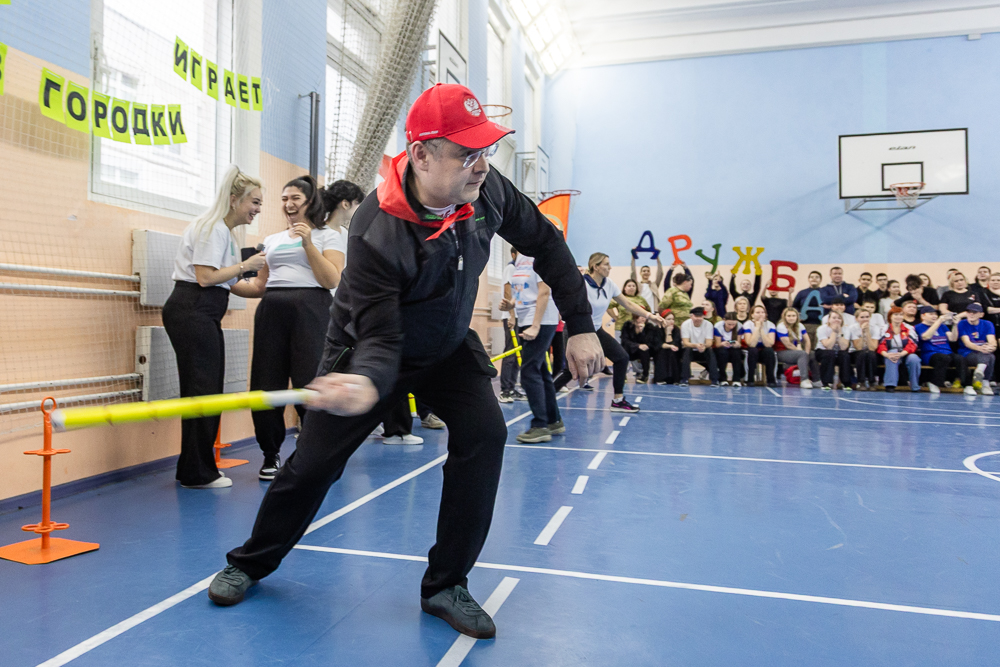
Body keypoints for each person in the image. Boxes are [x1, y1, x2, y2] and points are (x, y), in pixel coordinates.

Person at [209, 84, 604, 641]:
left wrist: (581, 326)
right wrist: (369, 383)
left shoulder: (488, 191)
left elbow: (548, 243)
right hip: (367, 351)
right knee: (313, 466)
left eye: (485, 152)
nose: (481, 166)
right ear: (420, 155)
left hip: (446, 346)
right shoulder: (377, 226)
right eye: (467, 154)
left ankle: (446, 583)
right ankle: (250, 561)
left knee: (485, 435)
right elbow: (380, 331)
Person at [247, 176, 359, 481]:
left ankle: (315, 454)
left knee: (310, 380)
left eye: (295, 197)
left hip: (311, 308)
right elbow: (260, 284)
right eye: (284, 198)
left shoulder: (328, 236)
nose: (288, 204)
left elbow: (332, 280)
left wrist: (307, 242)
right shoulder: (272, 240)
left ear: (310, 202)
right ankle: (270, 454)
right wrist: (220, 281)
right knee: (265, 382)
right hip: (272, 309)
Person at [163, 166, 265, 489]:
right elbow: (206, 278)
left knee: (204, 390)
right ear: (234, 200)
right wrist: (247, 265)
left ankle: (193, 467)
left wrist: (265, 284)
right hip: (193, 309)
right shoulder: (214, 229)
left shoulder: (226, 234)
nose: (258, 209)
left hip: (202, 312)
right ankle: (198, 472)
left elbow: (230, 284)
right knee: (203, 391)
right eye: (254, 202)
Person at [554, 253, 661, 411]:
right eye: (606, 264)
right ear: (595, 267)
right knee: (571, 371)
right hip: (576, 330)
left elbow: (627, 304)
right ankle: (544, 399)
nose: (610, 267)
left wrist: (650, 316)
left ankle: (618, 400)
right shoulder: (580, 283)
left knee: (621, 357)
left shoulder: (609, 284)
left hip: (596, 330)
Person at [509, 251, 563, 443]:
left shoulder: (541, 255)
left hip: (540, 320)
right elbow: (523, 291)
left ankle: (540, 425)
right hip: (527, 319)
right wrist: (511, 304)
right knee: (540, 371)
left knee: (530, 371)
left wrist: (536, 325)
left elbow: (544, 291)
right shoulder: (520, 259)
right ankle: (553, 420)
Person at [914, 307, 970, 395]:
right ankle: (935, 383)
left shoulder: (943, 327)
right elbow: (926, 337)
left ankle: (967, 385)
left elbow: (953, 338)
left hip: (947, 352)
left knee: (960, 358)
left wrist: (955, 325)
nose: (934, 316)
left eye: (935, 314)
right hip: (930, 353)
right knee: (943, 358)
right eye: (931, 314)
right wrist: (938, 321)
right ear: (923, 316)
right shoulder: (918, 327)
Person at [497, 248, 525, 403]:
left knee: (516, 354)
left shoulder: (521, 271)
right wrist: (512, 316)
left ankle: (512, 387)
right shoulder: (511, 268)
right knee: (510, 352)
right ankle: (505, 390)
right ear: (514, 255)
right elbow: (508, 292)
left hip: (521, 317)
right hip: (511, 317)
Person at [877, 307, 921, 392]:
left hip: (906, 353)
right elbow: (880, 344)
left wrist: (902, 354)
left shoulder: (909, 328)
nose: (898, 317)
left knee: (914, 359)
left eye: (901, 315)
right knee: (892, 354)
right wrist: (886, 354)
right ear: (890, 316)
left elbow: (912, 344)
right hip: (889, 353)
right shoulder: (884, 328)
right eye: (896, 315)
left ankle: (915, 386)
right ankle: (890, 385)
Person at [957, 303, 996, 395]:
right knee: (989, 357)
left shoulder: (987, 324)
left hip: (983, 352)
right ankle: (985, 383)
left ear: (981, 314)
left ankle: (980, 371)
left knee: (990, 355)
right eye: (969, 312)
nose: (971, 314)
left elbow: (992, 340)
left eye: (974, 312)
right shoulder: (962, 324)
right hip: (967, 353)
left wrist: (991, 347)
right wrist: (980, 348)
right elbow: (967, 343)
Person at [774, 307, 813, 389]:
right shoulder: (781, 326)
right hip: (781, 352)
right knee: (802, 354)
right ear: (784, 317)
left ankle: (816, 379)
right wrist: (803, 353)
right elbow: (788, 344)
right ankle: (804, 380)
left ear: (797, 317)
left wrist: (807, 353)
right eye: (789, 316)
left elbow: (807, 341)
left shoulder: (800, 326)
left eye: (793, 316)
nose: (791, 318)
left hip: (796, 352)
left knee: (813, 354)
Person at [680, 306, 718, 386]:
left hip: (703, 349)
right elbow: (686, 342)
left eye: (700, 316)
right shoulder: (685, 324)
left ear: (703, 316)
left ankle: (714, 379)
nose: (698, 318)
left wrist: (703, 346)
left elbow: (709, 342)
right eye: (696, 316)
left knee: (710, 351)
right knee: (687, 351)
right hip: (691, 349)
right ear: (691, 316)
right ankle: (685, 378)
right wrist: (696, 345)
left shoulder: (708, 325)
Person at [815, 311, 852, 390]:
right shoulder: (822, 329)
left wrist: (840, 333)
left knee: (845, 355)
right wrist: (834, 332)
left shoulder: (846, 329)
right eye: (834, 318)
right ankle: (826, 383)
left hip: (838, 352)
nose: (836, 320)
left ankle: (845, 383)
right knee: (829, 353)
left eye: (839, 318)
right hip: (822, 351)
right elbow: (828, 346)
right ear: (829, 319)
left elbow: (843, 347)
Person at [742, 304, 777, 387]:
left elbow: (769, 344)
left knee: (769, 351)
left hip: (764, 350)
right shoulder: (748, 324)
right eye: (758, 312)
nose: (761, 314)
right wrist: (757, 328)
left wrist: (761, 329)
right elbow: (751, 344)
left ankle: (771, 379)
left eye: (762, 312)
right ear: (752, 315)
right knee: (752, 350)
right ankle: (750, 379)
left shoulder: (770, 325)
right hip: (752, 351)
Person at [849, 308, 881, 390]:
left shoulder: (875, 328)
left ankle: (872, 381)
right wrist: (862, 332)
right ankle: (861, 381)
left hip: (869, 352)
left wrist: (867, 332)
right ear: (857, 318)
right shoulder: (853, 328)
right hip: (855, 352)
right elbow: (858, 347)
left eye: (867, 317)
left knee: (871, 354)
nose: (865, 319)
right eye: (862, 317)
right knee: (862, 354)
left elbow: (873, 347)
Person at [621, 315, 658, 383]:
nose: (643, 318)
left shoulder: (649, 327)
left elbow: (649, 341)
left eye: (644, 317)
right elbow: (625, 340)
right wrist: (637, 345)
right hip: (631, 347)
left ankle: (645, 375)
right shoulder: (627, 325)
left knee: (645, 350)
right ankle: (623, 374)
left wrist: (642, 332)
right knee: (624, 350)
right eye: (640, 316)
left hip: (644, 349)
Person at [714, 312, 745, 387]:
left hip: (733, 348)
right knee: (722, 353)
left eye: (733, 324)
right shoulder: (718, 326)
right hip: (721, 348)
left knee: (737, 353)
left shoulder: (740, 326)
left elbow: (739, 342)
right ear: (724, 320)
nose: (731, 327)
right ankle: (723, 379)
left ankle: (736, 379)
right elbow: (717, 344)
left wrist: (737, 344)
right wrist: (723, 344)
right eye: (729, 324)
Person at [792, 270, 824, 341]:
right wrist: (798, 314)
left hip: (821, 324)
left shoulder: (825, 292)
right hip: (805, 324)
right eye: (811, 277)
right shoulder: (802, 293)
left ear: (820, 280)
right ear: (808, 279)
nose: (814, 279)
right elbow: (794, 306)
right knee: (806, 345)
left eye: (817, 277)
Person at [654, 311, 682, 384]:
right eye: (669, 319)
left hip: (673, 349)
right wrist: (668, 333)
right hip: (659, 350)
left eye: (672, 319)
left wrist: (669, 333)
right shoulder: (657, 329)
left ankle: (674, 378)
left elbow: (675, 343)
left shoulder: (676, 330)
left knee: (672, 352)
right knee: (663, 351)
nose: (671, 321)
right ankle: (661, 377)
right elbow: (659, 344)